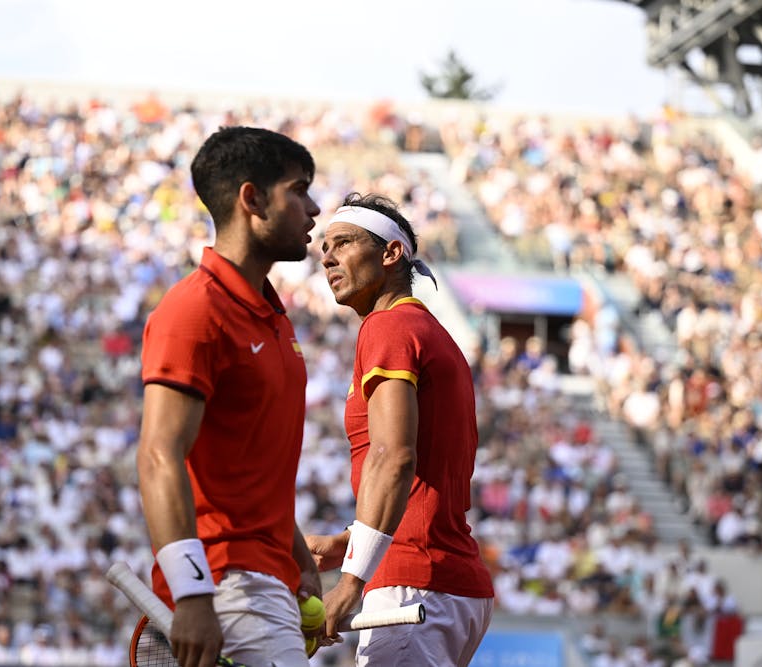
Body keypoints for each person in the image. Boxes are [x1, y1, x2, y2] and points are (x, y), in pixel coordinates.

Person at [136, 126, 322, 667]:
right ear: (252, 199)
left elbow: (245, 470)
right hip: (227, 591)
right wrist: (192, 594)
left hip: (262, 585)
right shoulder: (194, 310)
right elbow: (157, 455)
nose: (313, 209)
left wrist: (297, 556)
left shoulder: (272, 315)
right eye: (299, 189)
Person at [307, 193, 495, 665]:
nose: (327, 256)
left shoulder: (387, 327)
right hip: (443, 582)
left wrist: (351, 580)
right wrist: (350, 542)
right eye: (324, 247)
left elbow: (395, 457)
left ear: (391, 254)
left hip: (415, 586)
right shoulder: (426, 331)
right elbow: (423, 481)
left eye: (344, 242)